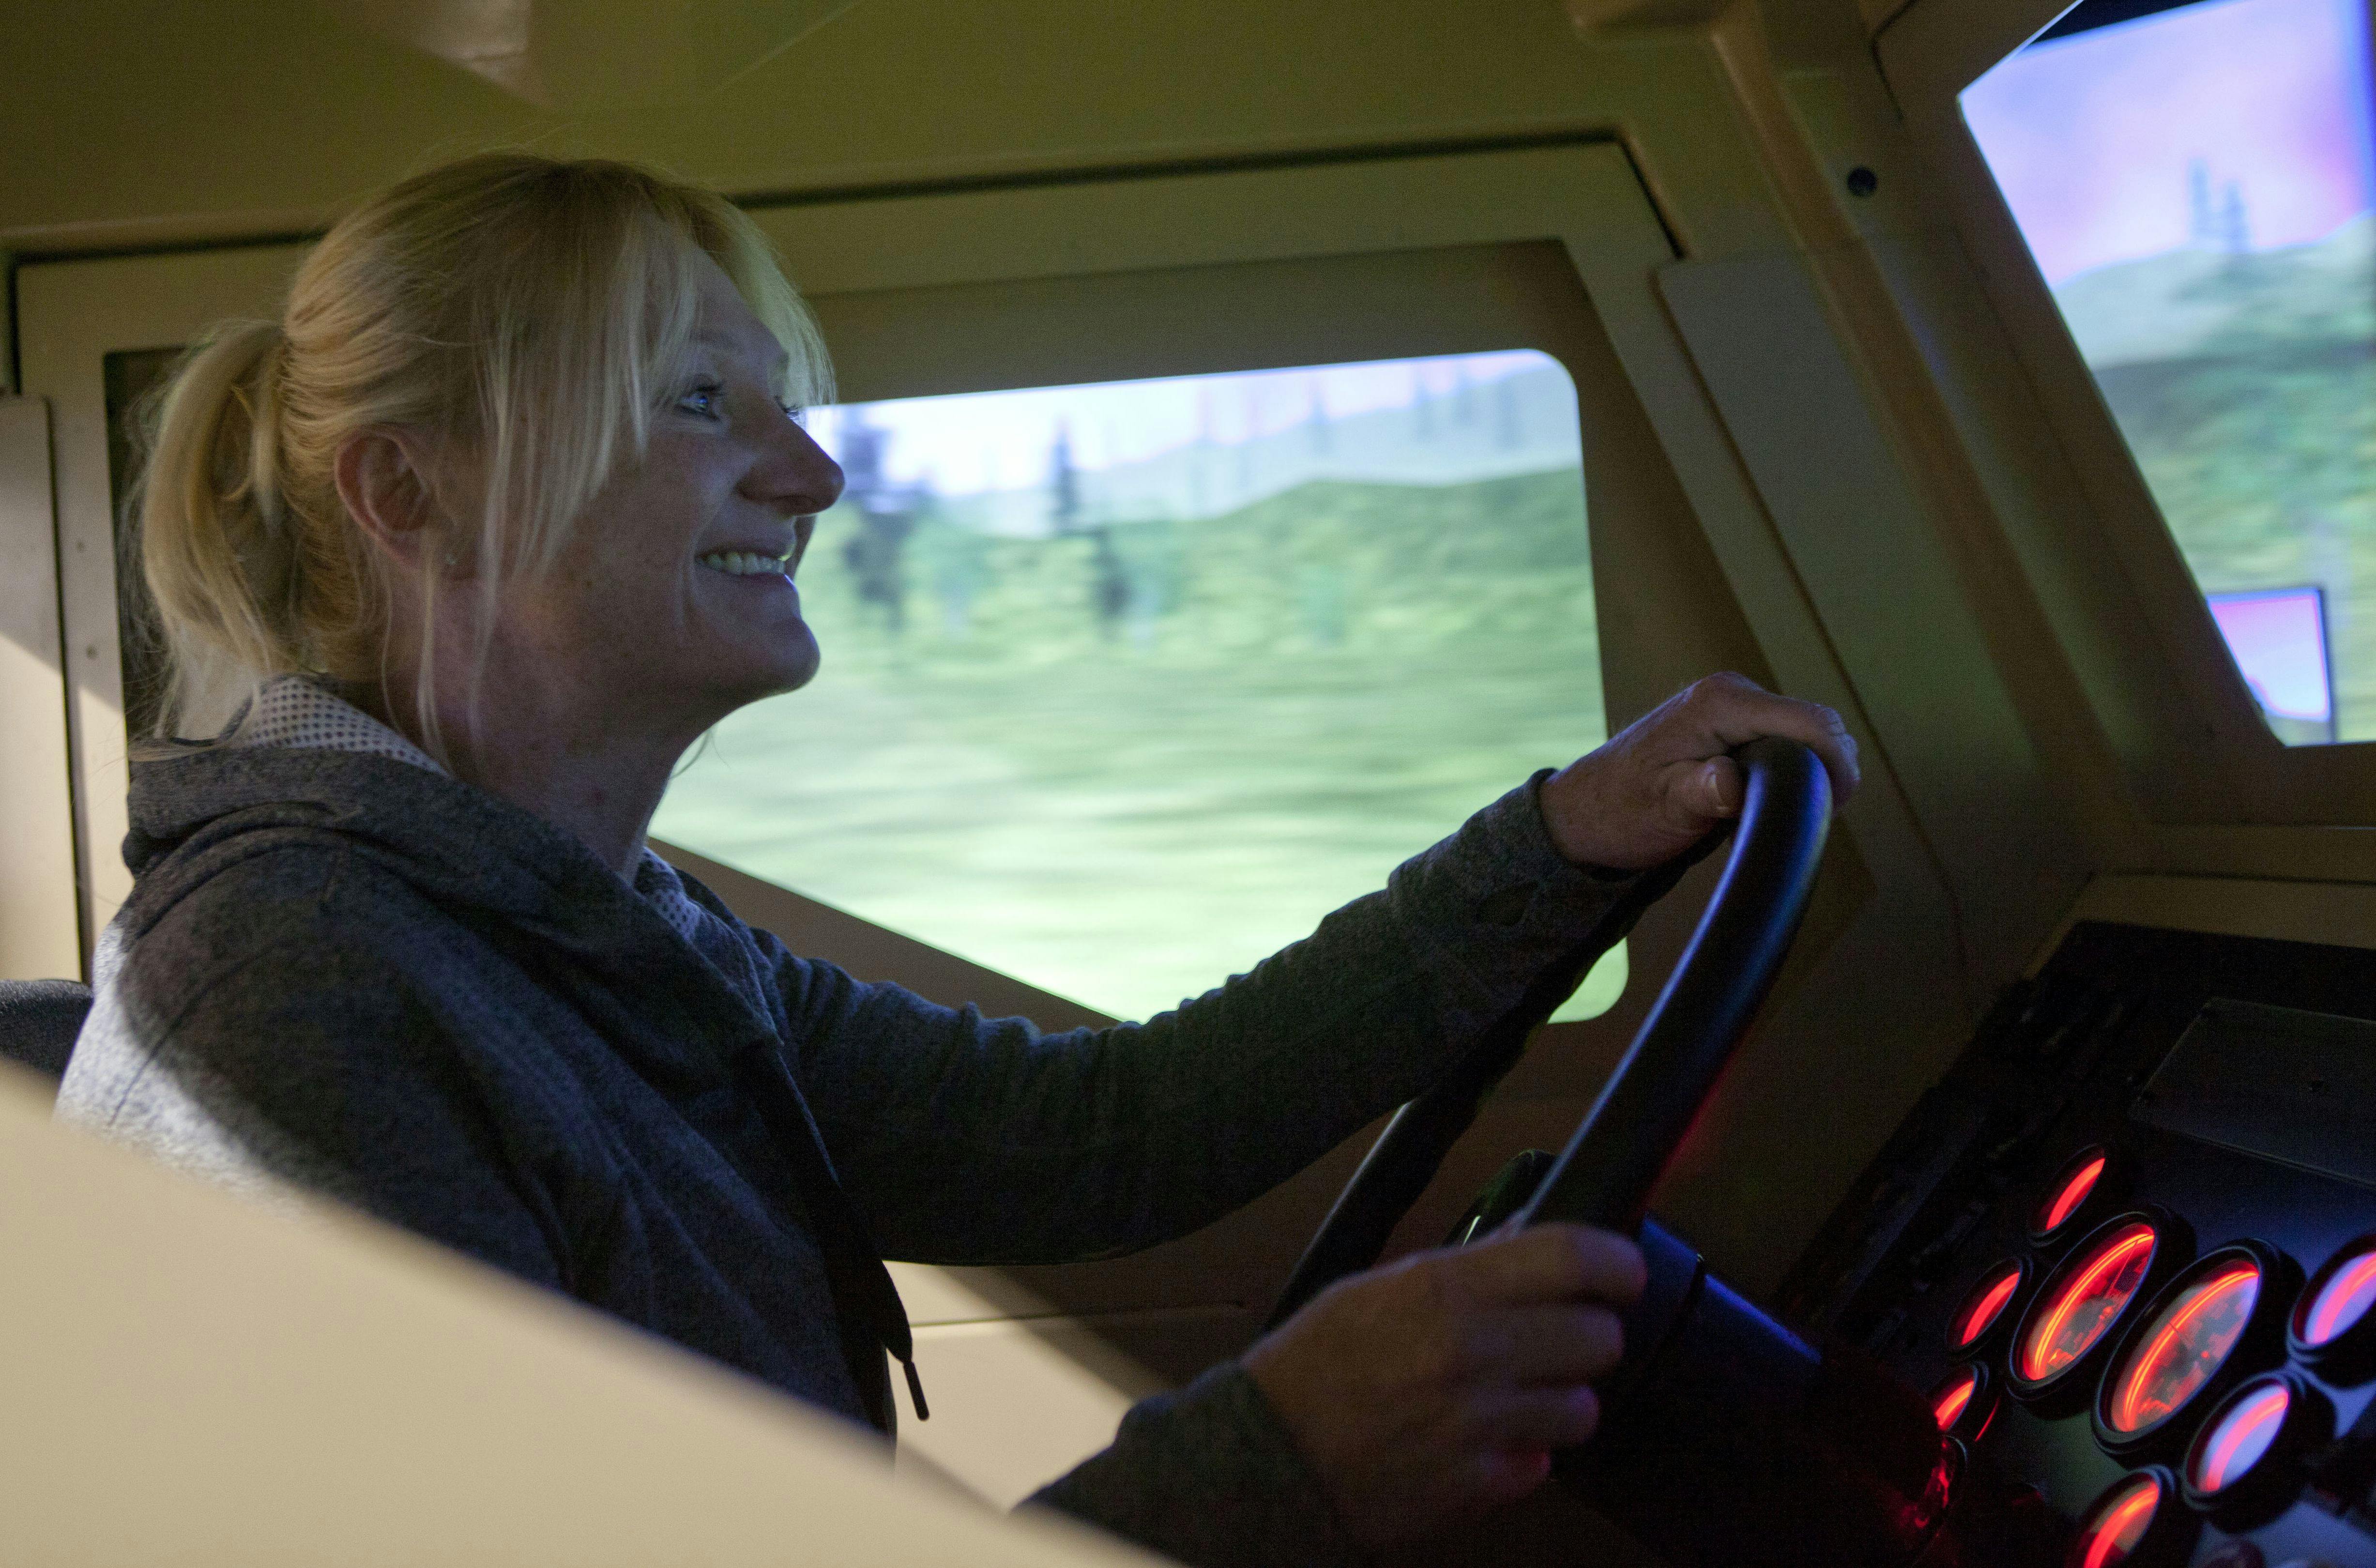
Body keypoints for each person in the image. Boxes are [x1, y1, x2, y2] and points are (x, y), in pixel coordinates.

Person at [58, 153, 1858, 1568]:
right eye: (702, 404)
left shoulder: (586, 922)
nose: (811, 475)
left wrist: (1551, 847)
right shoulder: (299, 1002)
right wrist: (1277, 1471)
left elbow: (1096, 1140)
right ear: (411, 496)